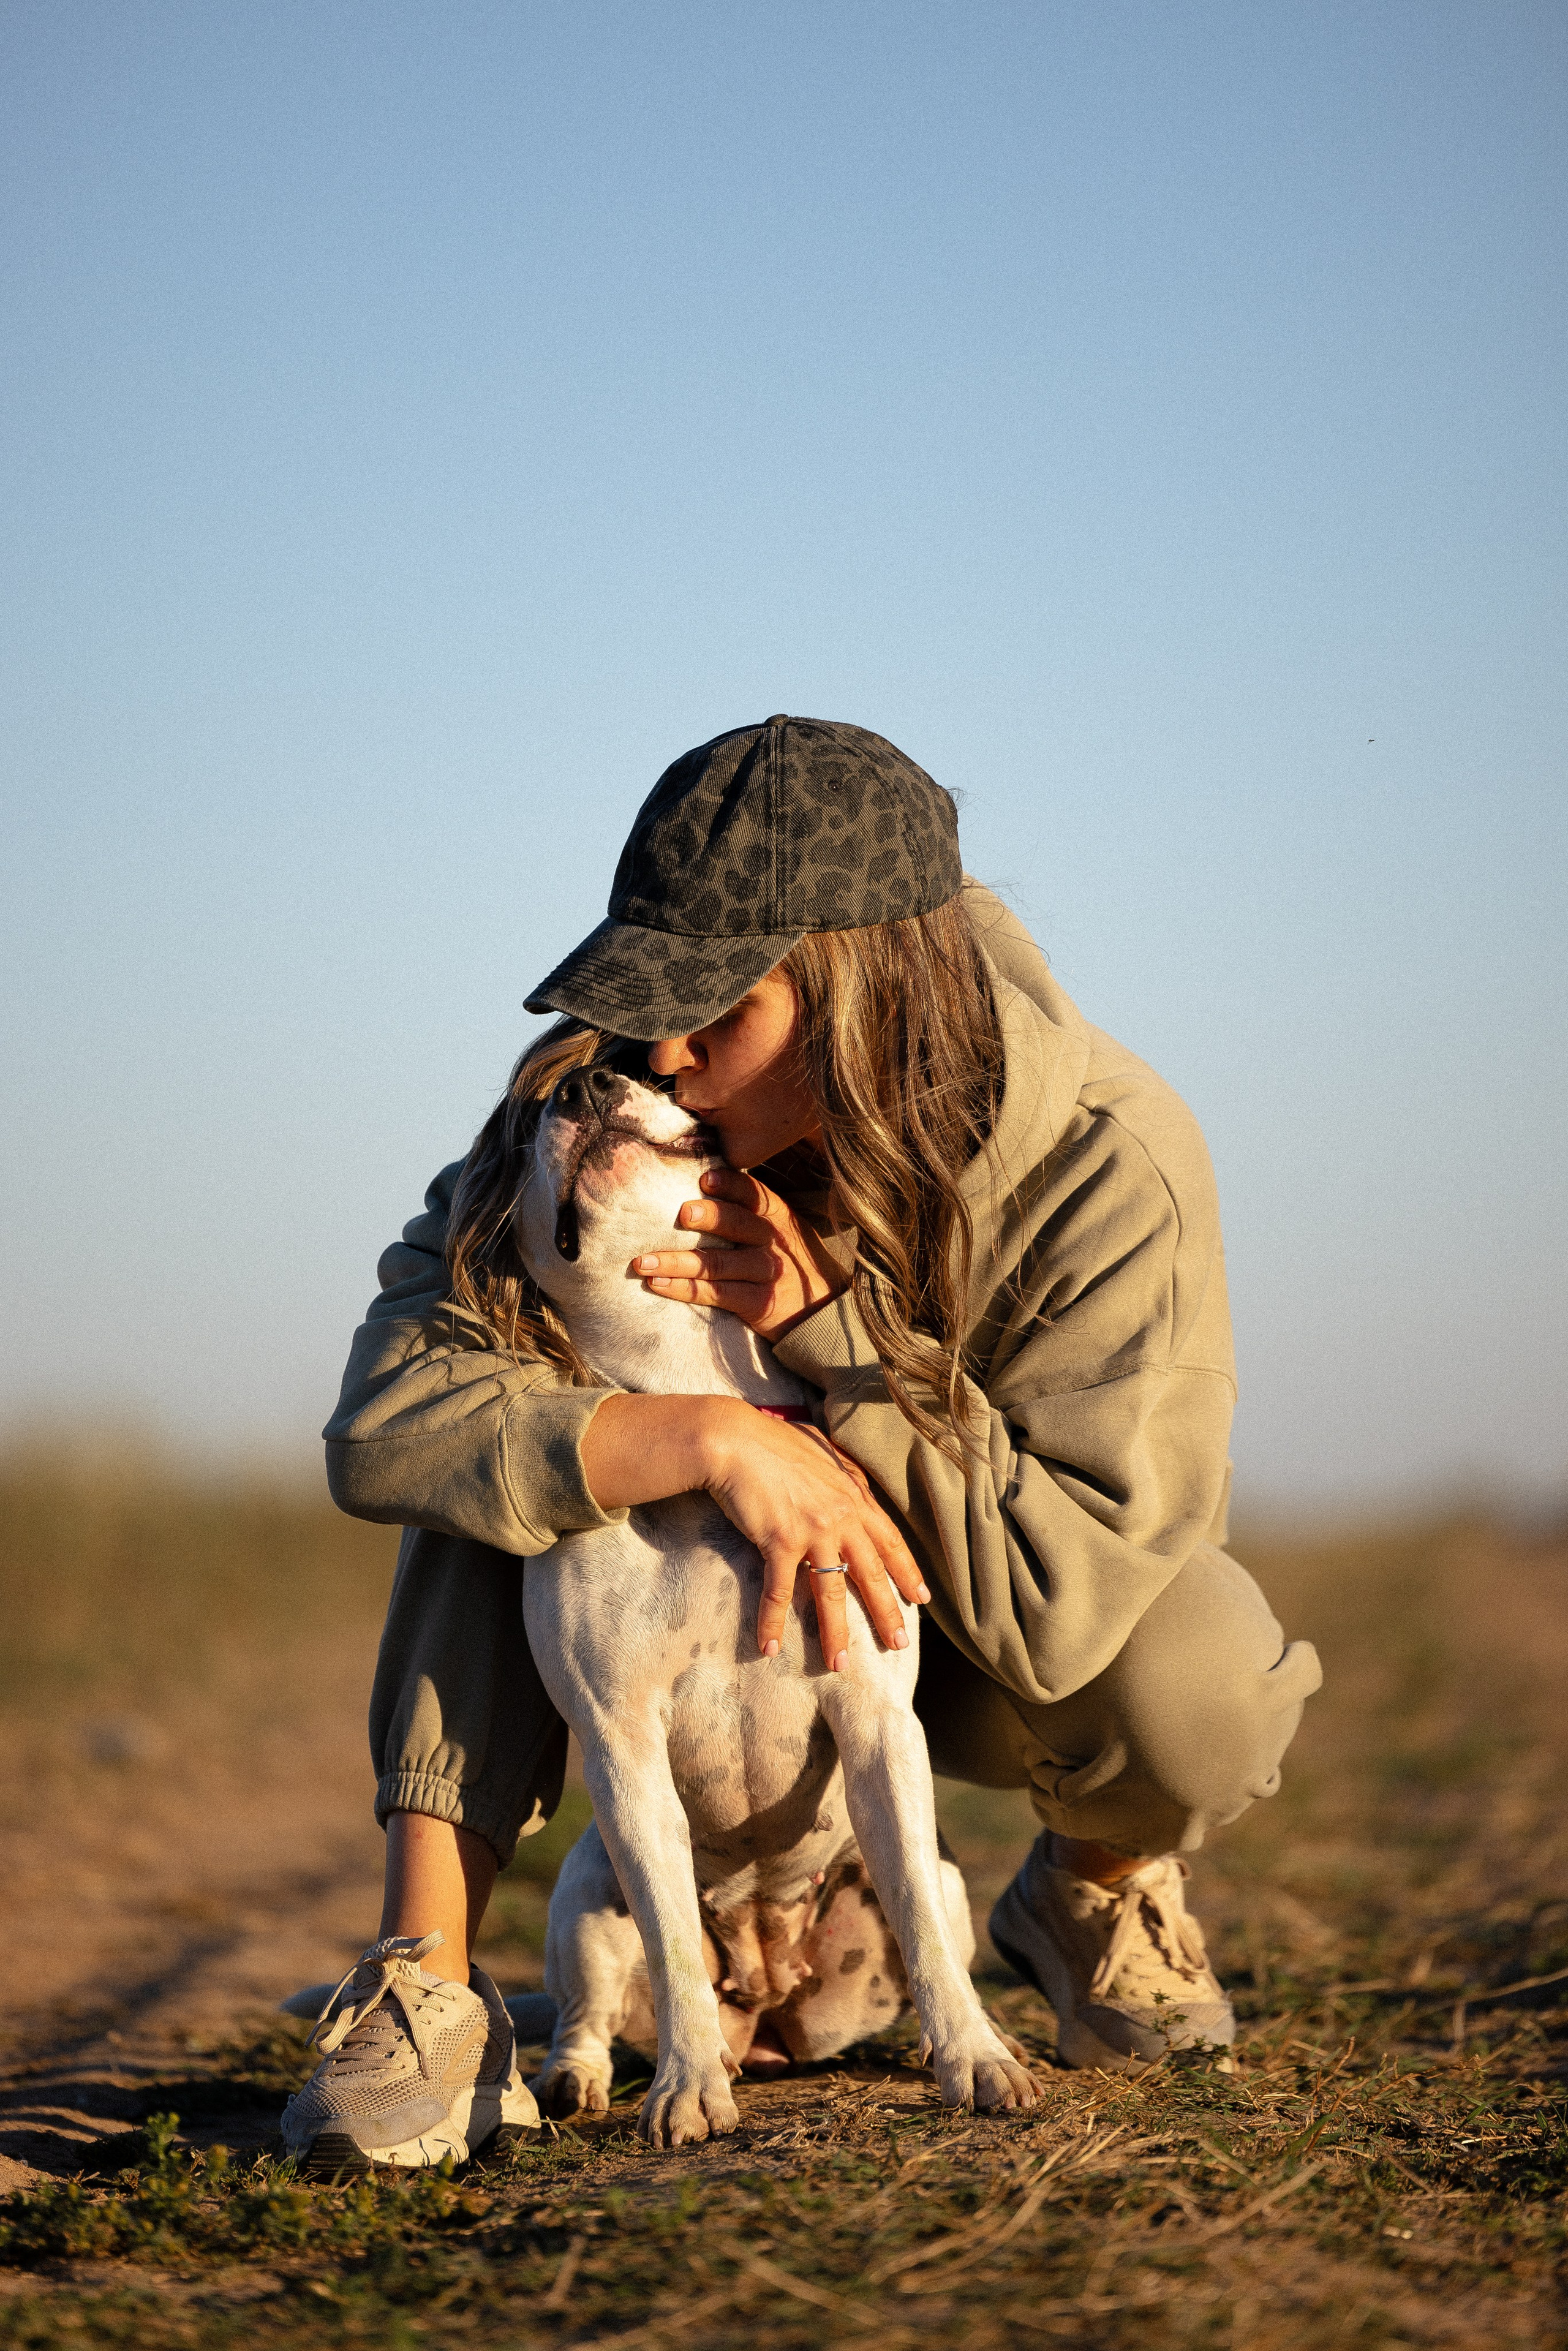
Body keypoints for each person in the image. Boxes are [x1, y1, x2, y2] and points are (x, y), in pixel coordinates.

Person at [284, 715, 1322, 2170]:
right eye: (645, 992)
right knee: (501, 1434)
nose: (661, 1046)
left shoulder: (1108, 1158)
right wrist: (701, 1434)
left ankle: (1086, 1886)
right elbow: (387, 1414)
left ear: (866, 985)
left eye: (717, 1005)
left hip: (962, 1631)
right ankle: (426, 1977)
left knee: (1195, 1669)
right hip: (664, 1625)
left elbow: (1064, 1590)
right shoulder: (599, 1097)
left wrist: (835, 1342)